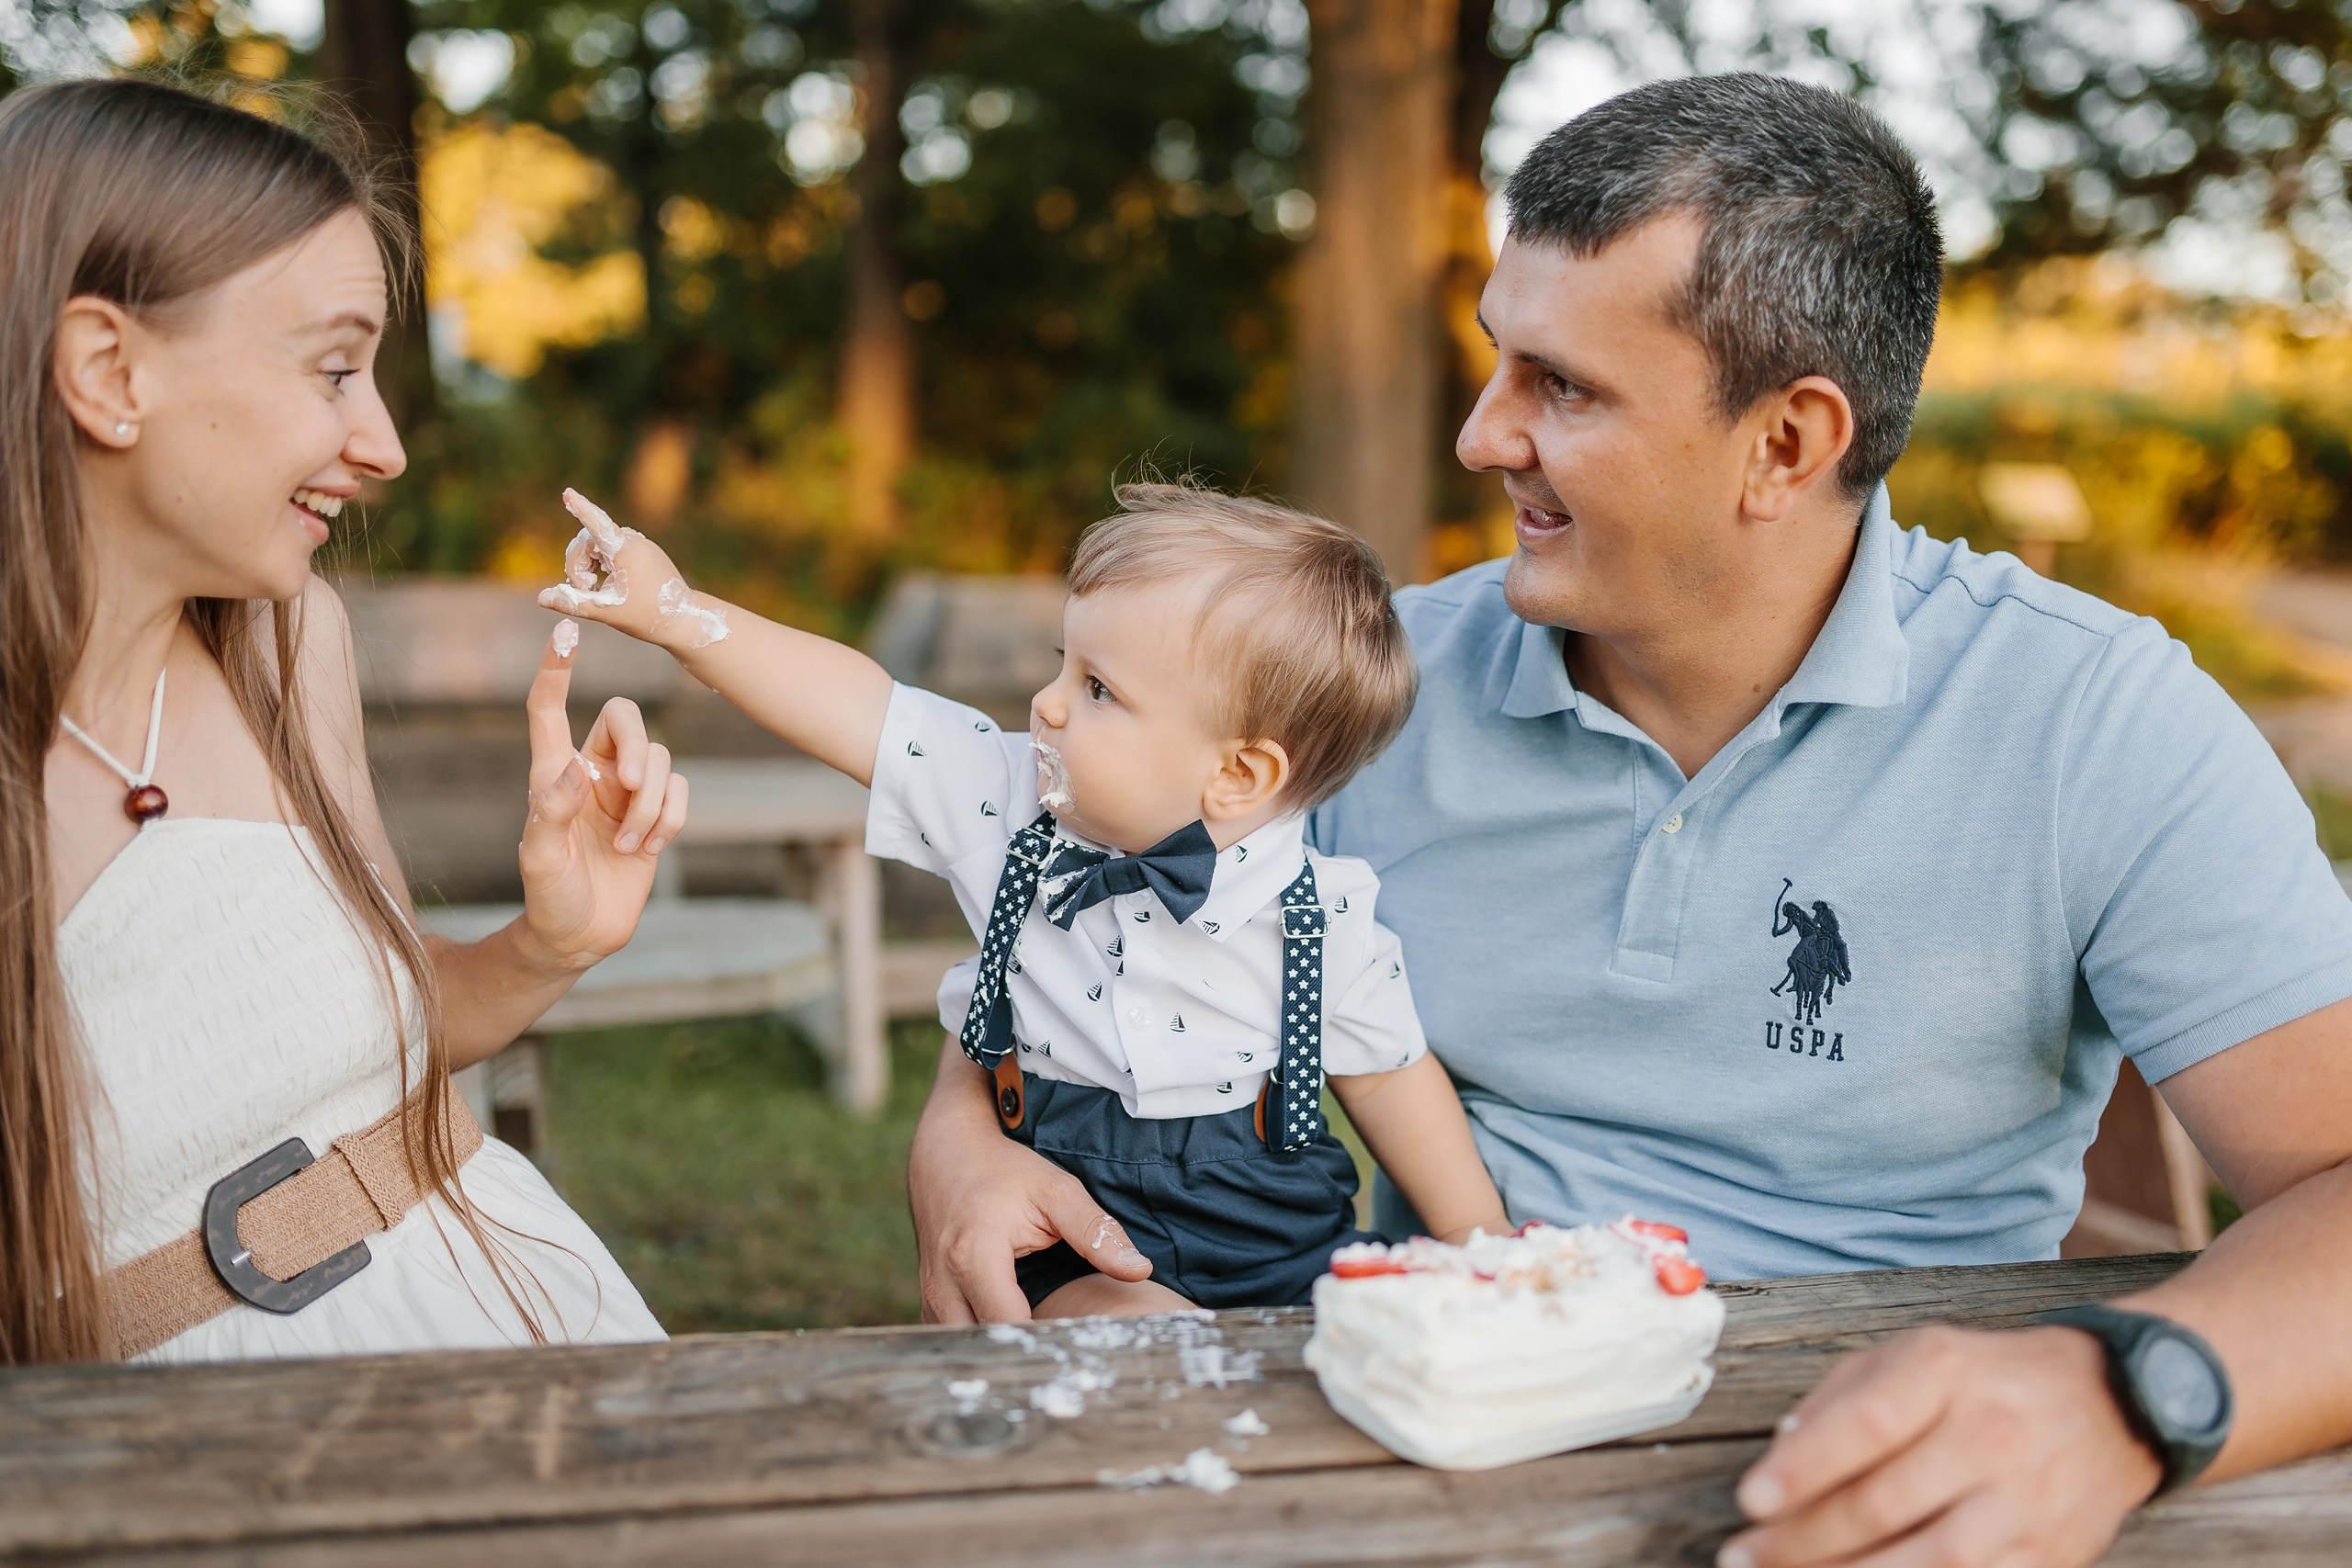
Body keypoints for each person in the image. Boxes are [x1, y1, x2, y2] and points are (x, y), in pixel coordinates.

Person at [909, 73, 2352, 1567]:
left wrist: (2125, 1393)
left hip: (1888, 1483)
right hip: (1419, 1443)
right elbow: (1073, 958)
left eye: (1565, 386)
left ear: (1786, 446)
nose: (1480, 436)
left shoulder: (2097, 721)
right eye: (1496, 364)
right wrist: (963, 1138)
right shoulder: (1366, 693)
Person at [2, 78, 683, 1363]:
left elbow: (373, 1035)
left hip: (515, 1303)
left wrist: (549, 941)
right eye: (333, 369)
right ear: (107, 370)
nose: (383, 445)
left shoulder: (287, 643)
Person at [541, 482, 1510, 1314]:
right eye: (1063, 662)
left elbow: (1389, 1080)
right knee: (1128, 1349)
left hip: (1271, 1238)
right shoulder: (1006, 800)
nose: (1046, 702)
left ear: (1238, 775)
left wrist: (1490, 1254)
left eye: (1097, 690)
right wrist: (675, 612)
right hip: (1076, 1223)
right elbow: (861, 708)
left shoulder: (1320, 915)